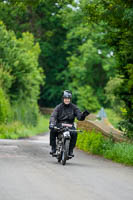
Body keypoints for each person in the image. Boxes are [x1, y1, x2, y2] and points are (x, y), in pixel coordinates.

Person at [49, 90, 89, 156]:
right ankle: (53, 148)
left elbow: (79, 117)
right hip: (60, 124)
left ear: (70, 99)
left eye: (68, 99)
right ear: (63, 99)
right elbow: (53, 115)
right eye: (65, 98)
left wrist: (83, 115)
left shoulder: (74, 107)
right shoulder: (58, 107)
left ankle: (70, 150)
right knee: (52, 131)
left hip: (70, 125)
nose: (67, 100)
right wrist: (52, 123)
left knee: (74, 133)